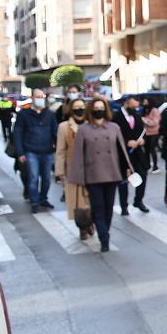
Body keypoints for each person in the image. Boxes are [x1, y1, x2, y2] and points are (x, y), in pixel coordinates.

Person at [67, 97, 128, 252]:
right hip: (93, 174)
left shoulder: (114, 128)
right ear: (91, 110)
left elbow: (122, 151)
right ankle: (104, 238)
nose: (99, 110)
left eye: (102, 107)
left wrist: (128, 169)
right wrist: (78, 177)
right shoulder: (84, 129)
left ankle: (104, 230)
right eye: (96, 108)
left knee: (108, 207)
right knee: (98, 207)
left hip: (112, 173)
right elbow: (78, 155)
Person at [14, 87, 59, 213]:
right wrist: (20, 152)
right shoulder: (23, 114)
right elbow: (17, 133)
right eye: (37, 97)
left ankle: (43, 198)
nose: (40, 99)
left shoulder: (49, 114)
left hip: (47, 151)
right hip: (31, 151)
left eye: (42, 97)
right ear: (32, 98)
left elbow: (55, 131)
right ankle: (34, 201)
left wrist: (57, 145)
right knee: (33, 178)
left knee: (46, 178)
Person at [55, 98, 93, 240]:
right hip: (73, 171)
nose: (79, 109)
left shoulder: (91, 124)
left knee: (92, 201)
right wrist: (59, 171)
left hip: (91, 170)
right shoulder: (64, 127)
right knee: (78, 204)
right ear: (71, 109)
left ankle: (90, 222)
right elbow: (60, 150)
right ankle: (82, 227)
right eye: (76, 107)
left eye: (82, 106)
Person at [115, 95, 151, 215]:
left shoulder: (136, 116)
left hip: (138, 154)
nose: (135, 108)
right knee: (124, 181)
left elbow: (143, 133)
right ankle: (124, 206)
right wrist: (126, 142)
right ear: (126, 103)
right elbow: (114, 135)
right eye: (133, 105)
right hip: (123, 155)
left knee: (143, 176)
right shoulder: (116, 117)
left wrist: (142, 141)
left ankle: (138, 200)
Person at [141, 97, 162, 173]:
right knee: (146, 150)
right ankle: (147, 166)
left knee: (152, 150)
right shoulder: (145, 110)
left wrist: (144, 120)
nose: (144, 103)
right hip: (145, 133)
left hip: (154, 133)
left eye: (145, 102)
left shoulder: (154, 110)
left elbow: (155, 122)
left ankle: (155, 167)